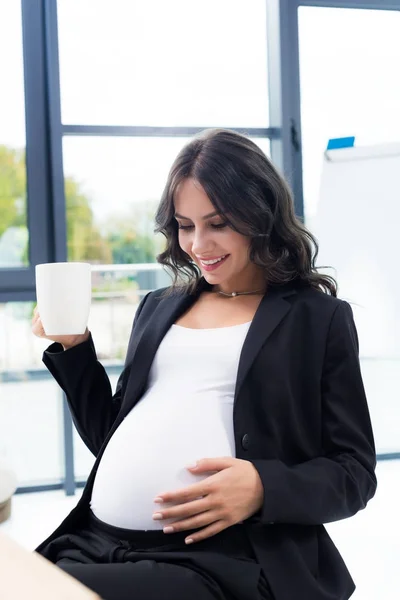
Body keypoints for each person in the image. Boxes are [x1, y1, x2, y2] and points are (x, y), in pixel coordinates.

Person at [32, 128, 377, 600]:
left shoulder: (316, 319)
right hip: (96, 543)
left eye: (218, 224)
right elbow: (107, 439)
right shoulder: (157, 307)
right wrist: (74, 348)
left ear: (261, 215)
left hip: (215, 559)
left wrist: (262, 487)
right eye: (184, 224)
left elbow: (354, 473)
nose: (198, 244)